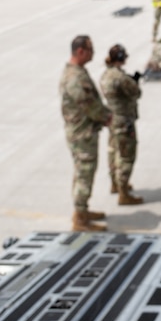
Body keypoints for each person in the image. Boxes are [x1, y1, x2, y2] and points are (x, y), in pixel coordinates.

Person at [59, 35, 112, 231]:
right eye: (91, 50)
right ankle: (80, 219)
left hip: (83, 133)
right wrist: (106, 117)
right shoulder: (75, 78)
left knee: (83, 173)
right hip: (82, 135)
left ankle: (82, 210)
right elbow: (89, 104)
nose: (93, 54)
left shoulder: (76, 72)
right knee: (84, 174)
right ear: (80, 51)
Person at [100, 44, 144, 205]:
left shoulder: (106, 75)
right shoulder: (120, 77)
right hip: (125, 121)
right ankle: (123, 193)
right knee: (126, 156)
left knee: (113, 152)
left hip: (113, 120)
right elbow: (136, 93)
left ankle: (115, 184)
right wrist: (135, 82)